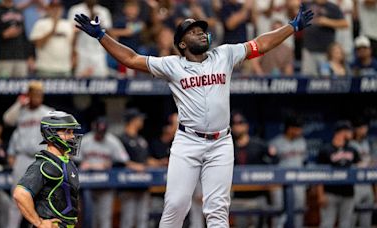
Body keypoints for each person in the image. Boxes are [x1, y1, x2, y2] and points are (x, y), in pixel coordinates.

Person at [74, 5, 313, 226]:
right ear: (182, 45)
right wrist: (102, 36)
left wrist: (291, 27)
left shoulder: (224, 54)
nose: (200, 33)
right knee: (176, 205)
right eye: (193, 32)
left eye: (201, 30)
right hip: (188, 141)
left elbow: (260, 44)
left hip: (221, 142)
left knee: (218, 210)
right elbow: (131, 59)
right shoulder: (172, 64)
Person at [13, 111, 83, 228]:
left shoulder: (66, 162)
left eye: (72, 132)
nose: (72, 136)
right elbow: (20, 194)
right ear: (51, 133)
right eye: (67, 132)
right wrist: (39, 222)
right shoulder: (44, 165)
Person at [78, 117, 144, 228]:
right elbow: (74, 160)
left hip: (106, 184)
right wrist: (85, 164)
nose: (100, 135)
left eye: (102, 133)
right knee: (89, 218)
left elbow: (123, 161)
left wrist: (110, 165)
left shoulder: (112, 141)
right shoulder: (85, 140)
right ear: (94, 127)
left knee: (105, 219)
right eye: (98, 132)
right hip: (87, 186)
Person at [3, 80, 53, 228]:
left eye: (40, 94)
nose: (37, 97)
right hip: (23, 158)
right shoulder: (21, 112)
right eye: (34, 94)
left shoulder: (48, 112)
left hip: (41, 159)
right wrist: (19, 103)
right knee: (16, 199)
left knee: (40, 200)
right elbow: (7, 119)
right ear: (29, 95)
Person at [316, 121, 360, 228]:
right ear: (342, 132)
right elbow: (318, 174)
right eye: (349, 131)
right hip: (330, 193)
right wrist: (320, 194)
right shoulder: (326, 150)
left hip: (348, 192)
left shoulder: (352, 150)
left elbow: (360, 166)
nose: (351, 133)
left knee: (345, 224)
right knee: (327, 224)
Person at [269, 116, 307, 228]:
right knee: (278, 211)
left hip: (298, 182)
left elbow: (304, 162)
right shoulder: (275, 143)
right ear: (290, 128)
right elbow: (270, 165)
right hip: (279, 183)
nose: (300, 131)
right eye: (297, 128)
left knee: (299, 210)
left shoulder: (302, 142)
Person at [30, 0, 75, 77]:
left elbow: (72, 45)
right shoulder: (40, 23)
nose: (56, 10)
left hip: (65, 69)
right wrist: (53, 29)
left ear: (62, 9)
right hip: (45, 69)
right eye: (53, 7)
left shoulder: (68, 24)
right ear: (49, 8)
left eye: (58, 7)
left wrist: (72, 63)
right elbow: (38, 44)